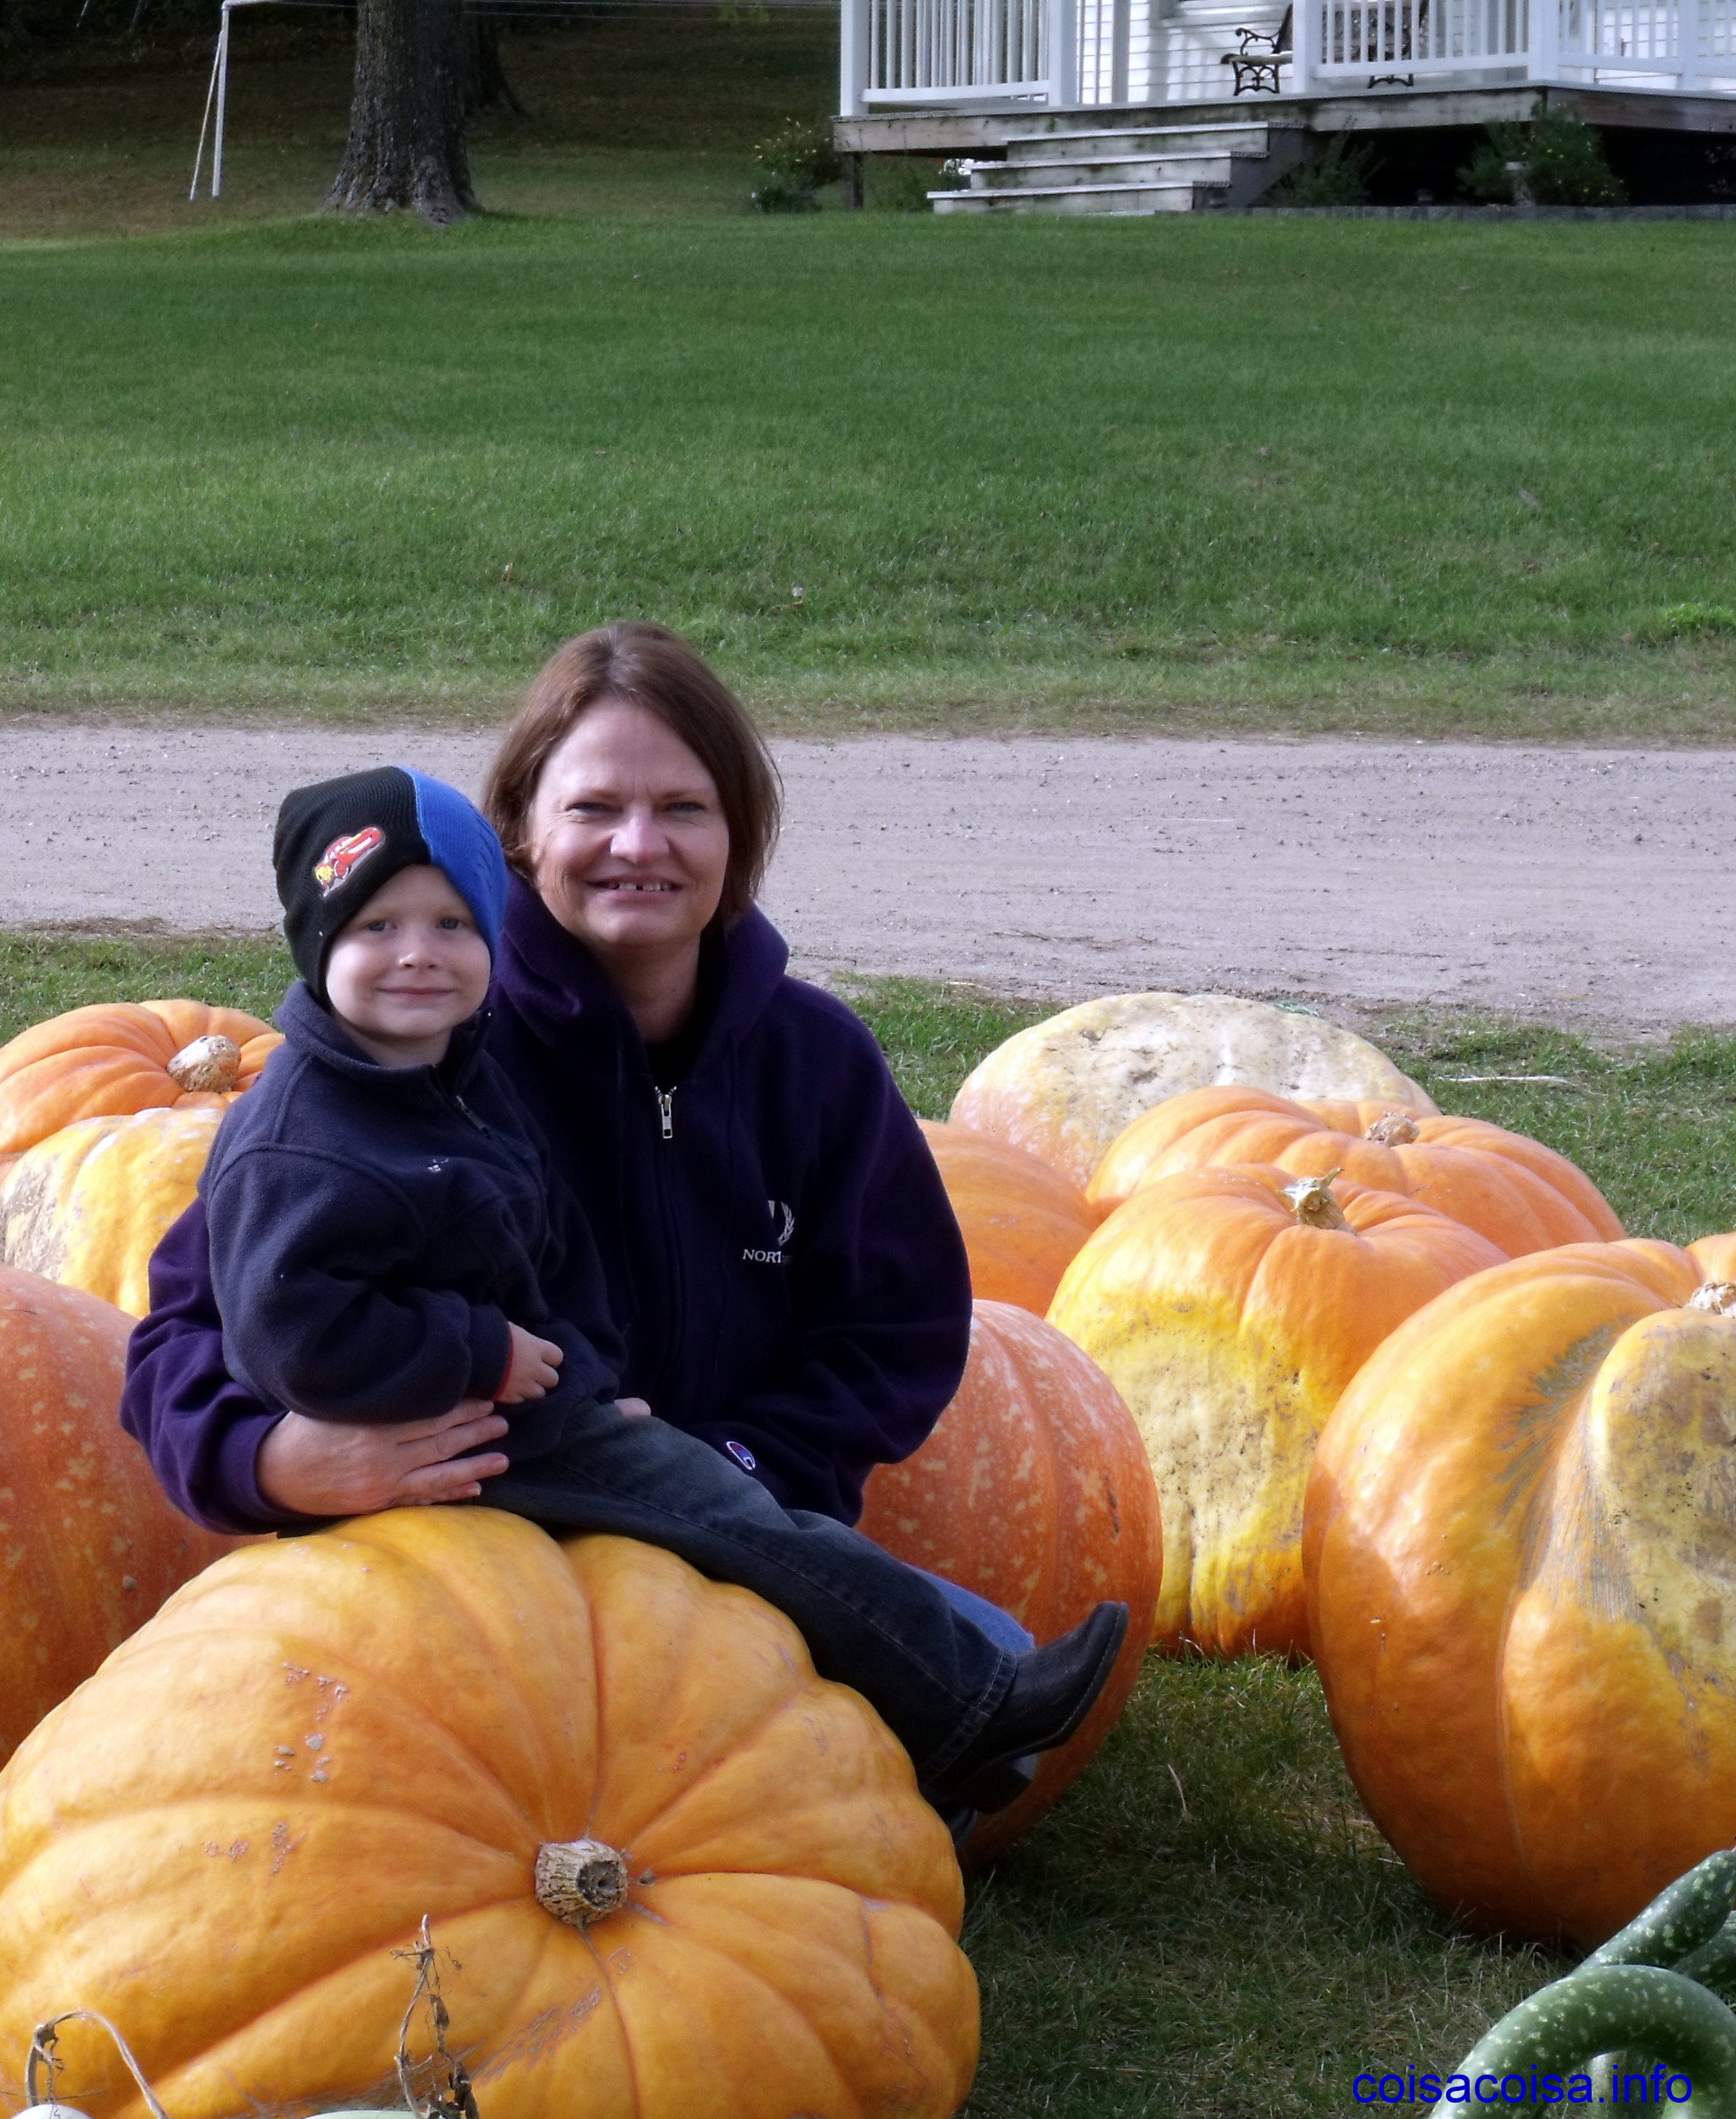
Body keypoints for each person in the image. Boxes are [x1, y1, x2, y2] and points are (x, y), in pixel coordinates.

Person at [130, 636, 1127, 1826]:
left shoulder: (815, 1062)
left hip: (730, 1536)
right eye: (594, 807)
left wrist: (726, 1474)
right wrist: (270, 1460)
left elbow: (895, 1333)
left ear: (738, 834)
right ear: (519, 834)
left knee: (973, 1684)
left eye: (683, 809)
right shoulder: (408, 1064)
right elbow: (187, 1329)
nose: (639, 845)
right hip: (459, 1560)